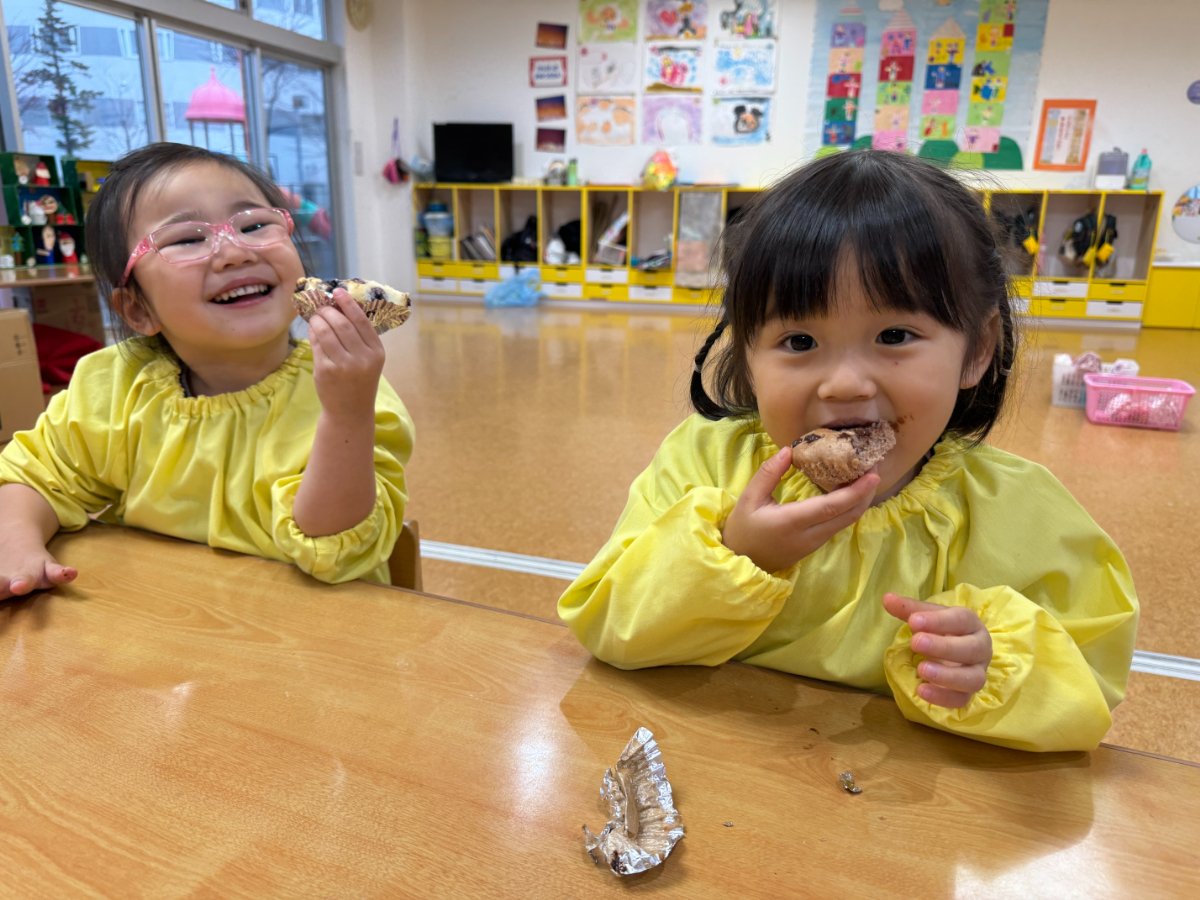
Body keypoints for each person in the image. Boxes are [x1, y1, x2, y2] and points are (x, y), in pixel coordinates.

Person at [558, 150, 1137, 753]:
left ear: (977, 349)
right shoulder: (705, 465)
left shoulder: (1020, 513)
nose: (845, 384)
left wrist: (998, 668)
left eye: (894, 336)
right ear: (747, 357)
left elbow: (1091, 678)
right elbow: (608, 624)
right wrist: (736, 553)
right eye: (799, 340)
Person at [0, 143, 413, 598]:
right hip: (169, 633)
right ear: (137, 311)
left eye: (255, 225)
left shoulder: (348, 387)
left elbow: (333, 550)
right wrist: (18, 547)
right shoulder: (116, 385)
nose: (234, 253)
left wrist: (347, 413)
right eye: (187, 239)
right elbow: (34, 478)